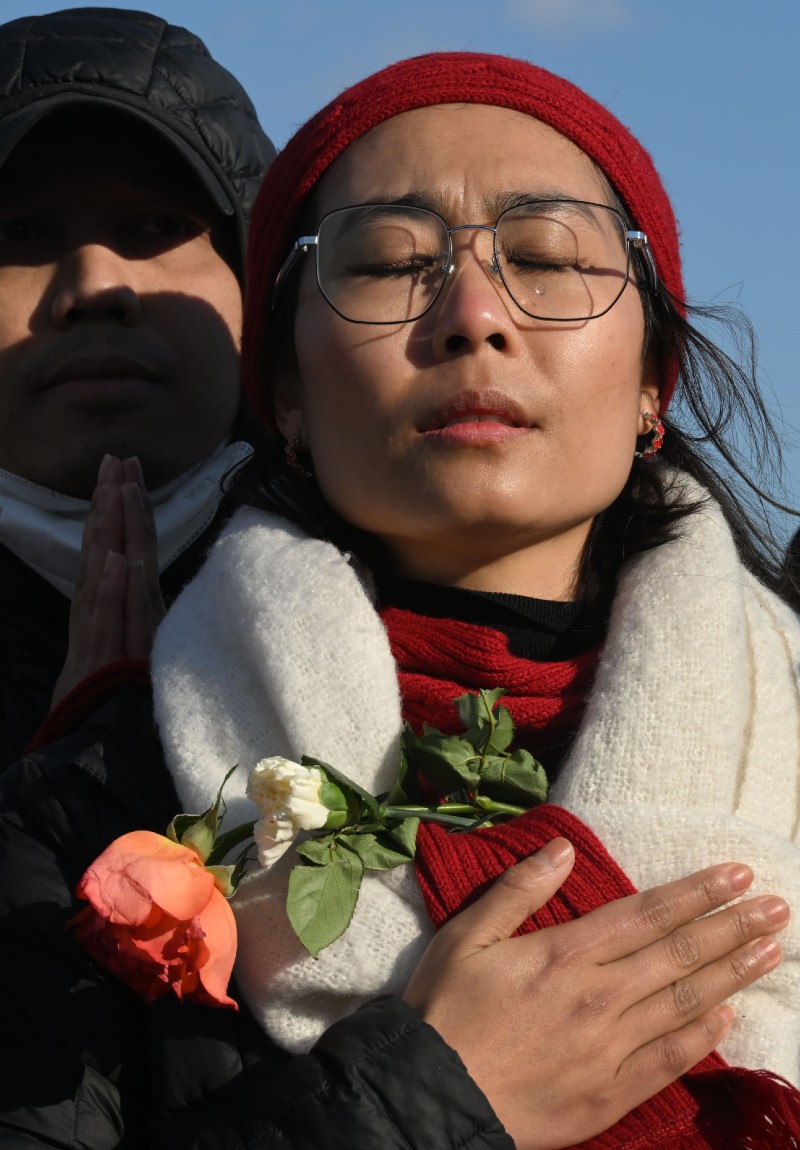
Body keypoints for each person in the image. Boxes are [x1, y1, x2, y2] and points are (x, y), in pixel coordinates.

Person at [1, 51, 799, 1150]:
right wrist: (426, 1097)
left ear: (650, 382)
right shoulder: (92, 810)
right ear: (282, 391)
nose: (473, 315)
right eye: (387, 262)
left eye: (543, 255)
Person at [0, 6, 275, 767]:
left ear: (259, 279)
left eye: (155, 224)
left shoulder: (425, 600)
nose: (94, 285)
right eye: (18, 234)